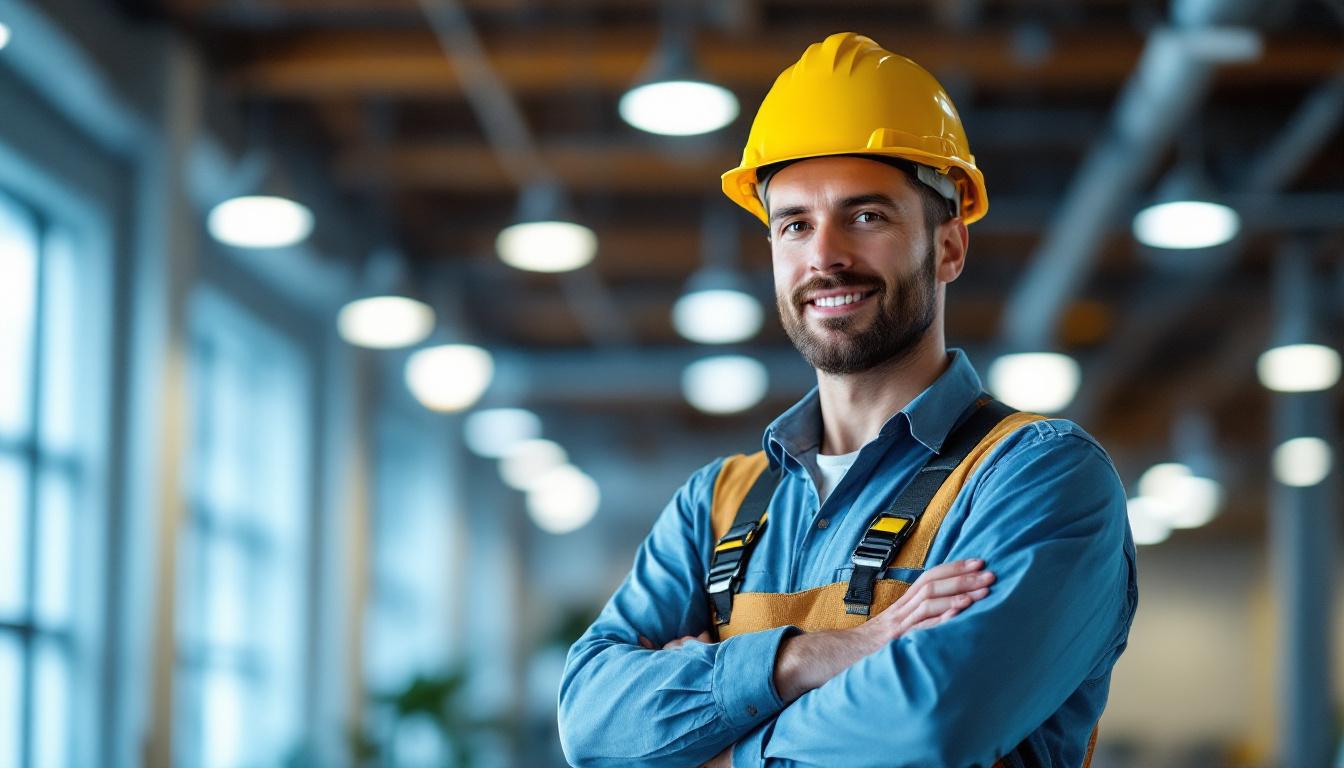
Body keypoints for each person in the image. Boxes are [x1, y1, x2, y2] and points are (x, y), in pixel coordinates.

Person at [558, 32, 1136, 768]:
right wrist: (819, 656)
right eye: (794, 223)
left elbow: (926, 725)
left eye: (867, 216)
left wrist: (711, 750)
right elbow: (590, 725)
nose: (824, 255)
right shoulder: (717, 506)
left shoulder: (1037, 481)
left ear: (950, 245)